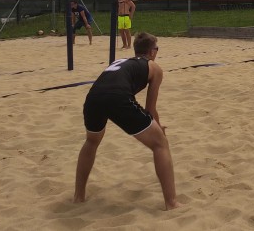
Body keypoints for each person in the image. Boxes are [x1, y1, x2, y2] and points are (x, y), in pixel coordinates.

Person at [74, 32, 180, 210]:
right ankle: (171, 203)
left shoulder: (120, 62)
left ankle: (78, 196)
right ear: (152, 52)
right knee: (160, 144)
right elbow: (150, 108)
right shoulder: (154, 67)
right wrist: (159, 128)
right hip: (118, 98)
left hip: (93, 97)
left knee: (91, 141)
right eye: (157, 48)